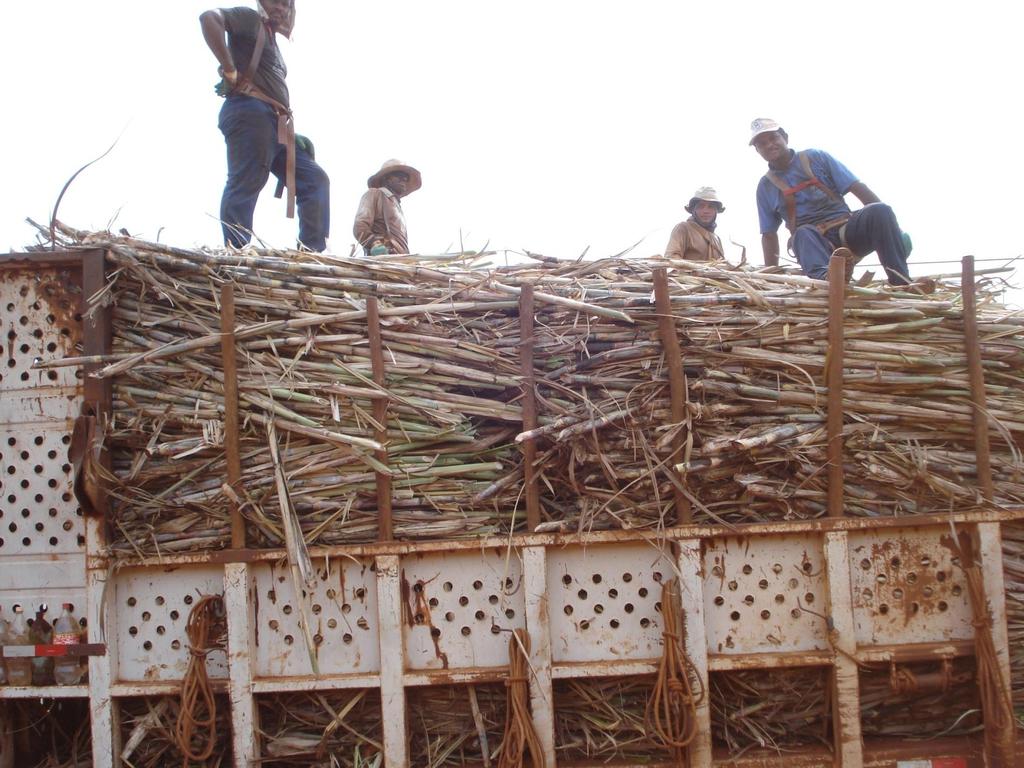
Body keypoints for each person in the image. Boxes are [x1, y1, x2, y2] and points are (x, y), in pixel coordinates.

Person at [200, 0, 330, 251]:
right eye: (275, 1)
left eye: (286, 4)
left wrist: (290, 131)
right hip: (250, 111)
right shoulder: (250, 20)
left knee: (314, 179)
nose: (281, 8)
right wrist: (229, 70)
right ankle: (236, 250)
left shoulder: (272, 41)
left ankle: (312, 252)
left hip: (274, 122)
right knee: (248, 179)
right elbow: (209, 18)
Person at [749, 118, 910, 285]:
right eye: (761, 143)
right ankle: (829, 279)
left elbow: (857, 188)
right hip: (813, 244)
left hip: (846, 230)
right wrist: (769, 277)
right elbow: (768, 234)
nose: (769, 145)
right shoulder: (765, 186)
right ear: (757, 150)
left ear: (785, 137)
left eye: (773, 138)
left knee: (880, 210)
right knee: (803, 234)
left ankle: (901, 282)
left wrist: (892, 227)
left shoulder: (816, 157)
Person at [353, 160, 422, 255]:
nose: (404, 181)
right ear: (387, 178)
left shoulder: (396, 205)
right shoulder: (374, 194)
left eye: (406, 179)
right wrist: (374, 243)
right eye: (400, 177)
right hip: (383, 258)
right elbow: (360, 225)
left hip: (400, 260)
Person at [664, 186, 726, 261]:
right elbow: (671, 259)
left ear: (716, 211)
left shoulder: (716, 239)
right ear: (693, 210)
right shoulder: (683, 229)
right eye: (701, 206)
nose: (706, 211)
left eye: (711, 207)